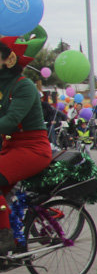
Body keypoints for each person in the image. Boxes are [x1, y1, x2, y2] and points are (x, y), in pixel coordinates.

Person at [0, 37, 53, 255]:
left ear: (9, 60)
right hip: (10, 147)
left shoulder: (24, 86)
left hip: (32, 149)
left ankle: (6, 239)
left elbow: (11, 121)